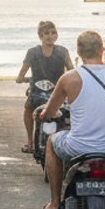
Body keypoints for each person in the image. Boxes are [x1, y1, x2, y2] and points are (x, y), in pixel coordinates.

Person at [36, 31, 105, 209]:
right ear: (102, 50)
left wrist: (50, 114)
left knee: (52, 142)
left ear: (78, 51)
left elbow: (50, 112)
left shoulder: (69, 78)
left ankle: (53, 203)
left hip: (77, 147)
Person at [15, 21, 73, 154]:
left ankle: (30, 142)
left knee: (28, 109)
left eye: (53, 33)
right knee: (66, 113)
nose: (50, 36)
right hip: (58, 94)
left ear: (57, 35)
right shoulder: (63, 51)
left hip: (38, 93)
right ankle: (64, 139)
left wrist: (20, 79)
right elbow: (71, 71)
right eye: (46, 33)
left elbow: (21, 74)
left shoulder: (32, 52)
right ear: (40, 35)